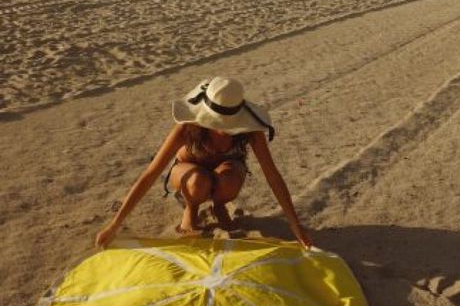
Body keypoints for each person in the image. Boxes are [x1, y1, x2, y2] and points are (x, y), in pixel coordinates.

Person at [95, 77, 312, 249]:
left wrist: (295, 225)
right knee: (199, 181)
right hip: (187, 174)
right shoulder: (186, 128)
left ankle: (219, 206)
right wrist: (115, 224)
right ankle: (191, 208)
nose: (222, 128)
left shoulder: (251, 131)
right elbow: (151, 174)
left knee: (230, 179)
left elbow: (272, 175)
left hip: (225, 171)